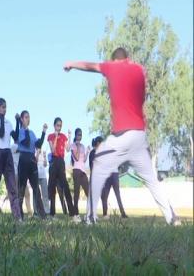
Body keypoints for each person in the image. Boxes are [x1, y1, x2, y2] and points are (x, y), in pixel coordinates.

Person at [64, 47, 179, 225]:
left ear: (115, 59)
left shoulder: (113, 67)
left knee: (98, 164)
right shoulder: (139, 70)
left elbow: (90, 66)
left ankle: (91, 217)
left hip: (122, 136)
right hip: (139, 136)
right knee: (151, 179)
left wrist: (72, 64)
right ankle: (172, 217)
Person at [0, 98, 21, 220]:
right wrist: (1, 118)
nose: (4, 109)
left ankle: (17, 215)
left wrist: (17, 122)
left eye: (5, 107)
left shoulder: (8, 122)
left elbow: (16, 137)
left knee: (12, 185)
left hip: (7, 153)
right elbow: (1, 134)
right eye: (2, 107)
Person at [16, 110, 47, 219]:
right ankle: (19, 215)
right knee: (21, 188)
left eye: (29, 117)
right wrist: (24, 128)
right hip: (23, 159)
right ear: (21, 119)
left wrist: (43, 132)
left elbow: (38, 144)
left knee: (36, 188)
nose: (28, 119)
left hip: (32, 161)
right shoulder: (20, 131)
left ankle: (42, 215)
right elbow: (26, 142)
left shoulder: (32, 132)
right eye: (25, 117)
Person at [89, 137, 127, 219]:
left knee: (117, 195)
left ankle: (123, 213)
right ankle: (105, 214)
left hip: (114, 174)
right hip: (109, 175)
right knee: (105, 196)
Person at [47, 117, 76, 221]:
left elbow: (68, 149)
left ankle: (72, 214)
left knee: (65, 187)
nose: (59, 127)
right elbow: (53, 149)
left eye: (60, 125)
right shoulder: (50, 136)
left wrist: (69, 135)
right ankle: (52, 214)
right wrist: (55, 137)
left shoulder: (63, 136)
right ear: (54, 125)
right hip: (54, 162)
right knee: (52, 188)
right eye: (58, 125)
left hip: (61, 162)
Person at [70, 128, 90, 217]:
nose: (80, 136)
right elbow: (77, 158)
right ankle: (76, 213)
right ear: (75, 135)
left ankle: (89, 213)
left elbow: (84, 160)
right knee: (77, 192)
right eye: (78, 134)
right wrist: (77, 146)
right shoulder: (73, 146)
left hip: (83, 171)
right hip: (76, 170)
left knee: (88, 192)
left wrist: (88, 152)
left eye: (81, 135)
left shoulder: (83, 146)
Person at [12, 144, 32, 215]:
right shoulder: (13, 146)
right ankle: (17, 212)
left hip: (21, 173)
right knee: (18, 194)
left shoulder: (21, 146)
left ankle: (29, 212)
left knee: (27, 194)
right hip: (16, 173)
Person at [35, 149, 50, 215]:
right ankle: (36, 211)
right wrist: (37, 153)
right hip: (36, 175)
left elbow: (45, 164)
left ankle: (47, 211)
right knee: (36, 194)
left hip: (43, 176)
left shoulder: (43, 153)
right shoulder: (34, 152)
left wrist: (44, 156)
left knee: (45, 194)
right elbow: (34, 161)